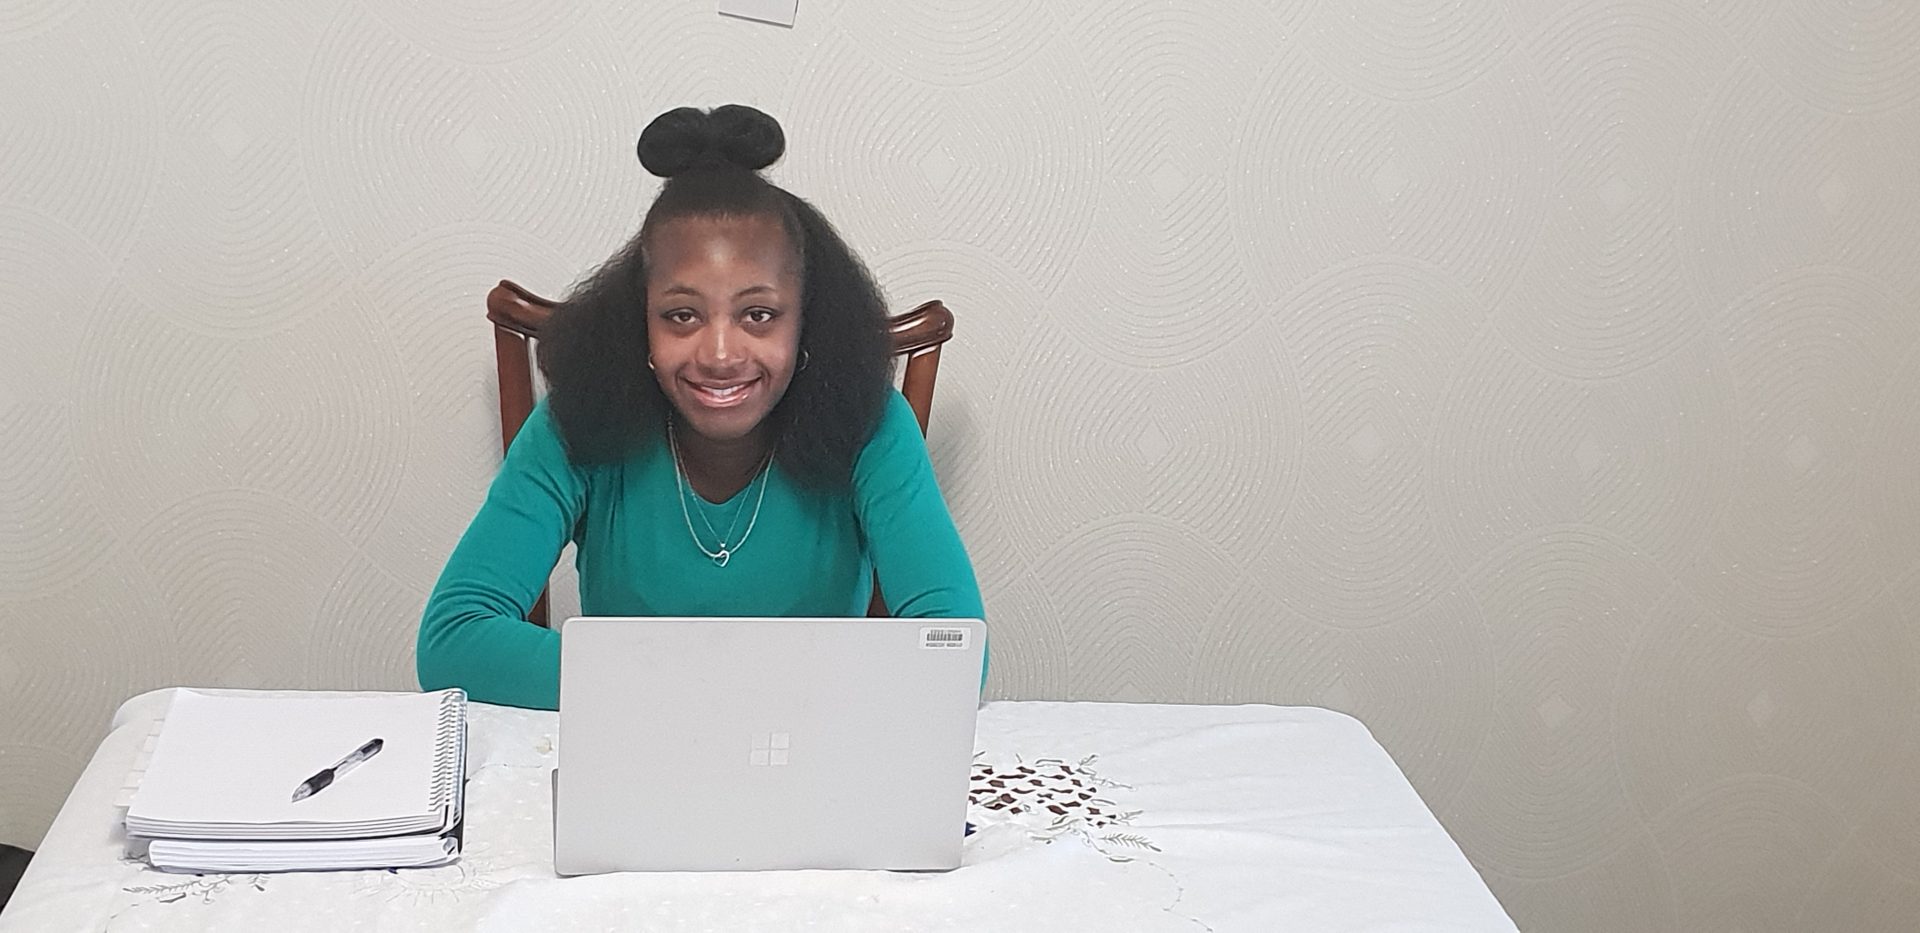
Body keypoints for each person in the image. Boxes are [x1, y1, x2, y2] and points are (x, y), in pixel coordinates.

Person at [416, 105, 985, 709]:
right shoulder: (576, 422)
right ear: (641, 322)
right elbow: (453, 640)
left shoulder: (872, 425)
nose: (719, 354)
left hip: (802, 751)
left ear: (806, 323)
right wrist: (720, 690)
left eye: (758, 315)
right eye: (682, 315)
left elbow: (955, 655)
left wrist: (677, 685)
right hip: (635, 748)